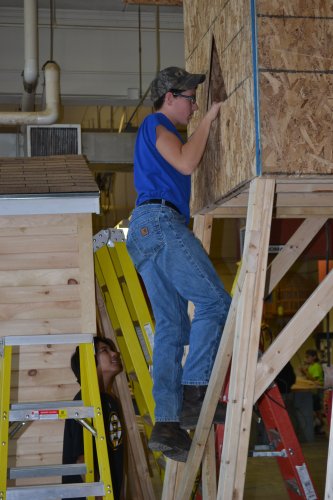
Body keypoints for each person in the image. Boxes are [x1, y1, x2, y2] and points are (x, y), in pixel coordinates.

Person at [126, 66, 231, 462]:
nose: (193, 106)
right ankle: (194, 391)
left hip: (145, 232)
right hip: (159, 222)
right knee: (215, 303)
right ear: (170, 96)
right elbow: (187, 163)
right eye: (190, 98)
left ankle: (167, 424)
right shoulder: (157, 124)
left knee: (171, 327)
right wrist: (211, 116)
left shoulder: (156, 133)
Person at [62, 336, 124, 500]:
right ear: (89, 362)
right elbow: (82, 461)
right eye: (105, 350)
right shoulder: (84, 401)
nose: (115, 353)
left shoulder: (109, 401)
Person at [301, 348, 325, 434]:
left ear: (314, 357)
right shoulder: (310, 366)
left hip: (317, 391)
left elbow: (315, 380)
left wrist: (305, 372)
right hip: (313, 391)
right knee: (314, 409)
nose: (306, 359)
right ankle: (317, 425)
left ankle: (321, 426)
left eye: (308, 357)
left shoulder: (316, 366)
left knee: (317, 409)